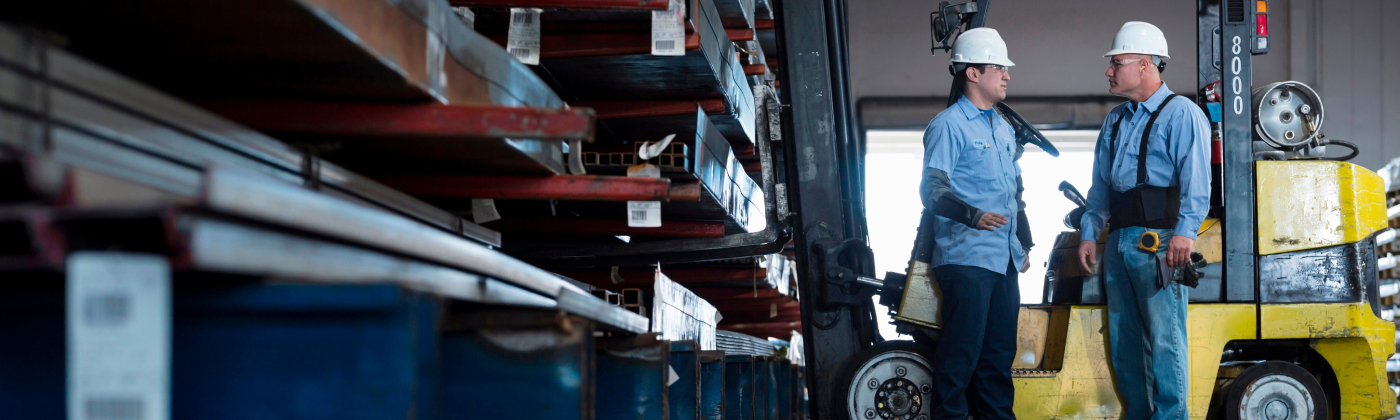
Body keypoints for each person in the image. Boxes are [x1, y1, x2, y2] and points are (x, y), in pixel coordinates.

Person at [1076, 21, 1210, 420]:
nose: (1109, 71)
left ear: (1145, 65)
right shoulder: (1115, 120)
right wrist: (1089, 232)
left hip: (1160, 242)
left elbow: (1197, 181)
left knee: (1165, 340)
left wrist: (1185, 234)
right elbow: (1100, 186)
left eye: (1116, 63)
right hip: (1119, 243)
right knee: (1125, 344)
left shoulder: (1182, 114)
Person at [920, 27, 1031, 420]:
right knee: (960, 357)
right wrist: (973, 215)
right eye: (999, 68)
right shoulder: (949, 125)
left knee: (998, 359)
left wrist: (1023, 242)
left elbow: (1014, 193)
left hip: (1003, 261)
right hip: (967, 261)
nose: (1007, 75)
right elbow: (932, 190)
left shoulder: (1001, 127)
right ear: (973, 73)